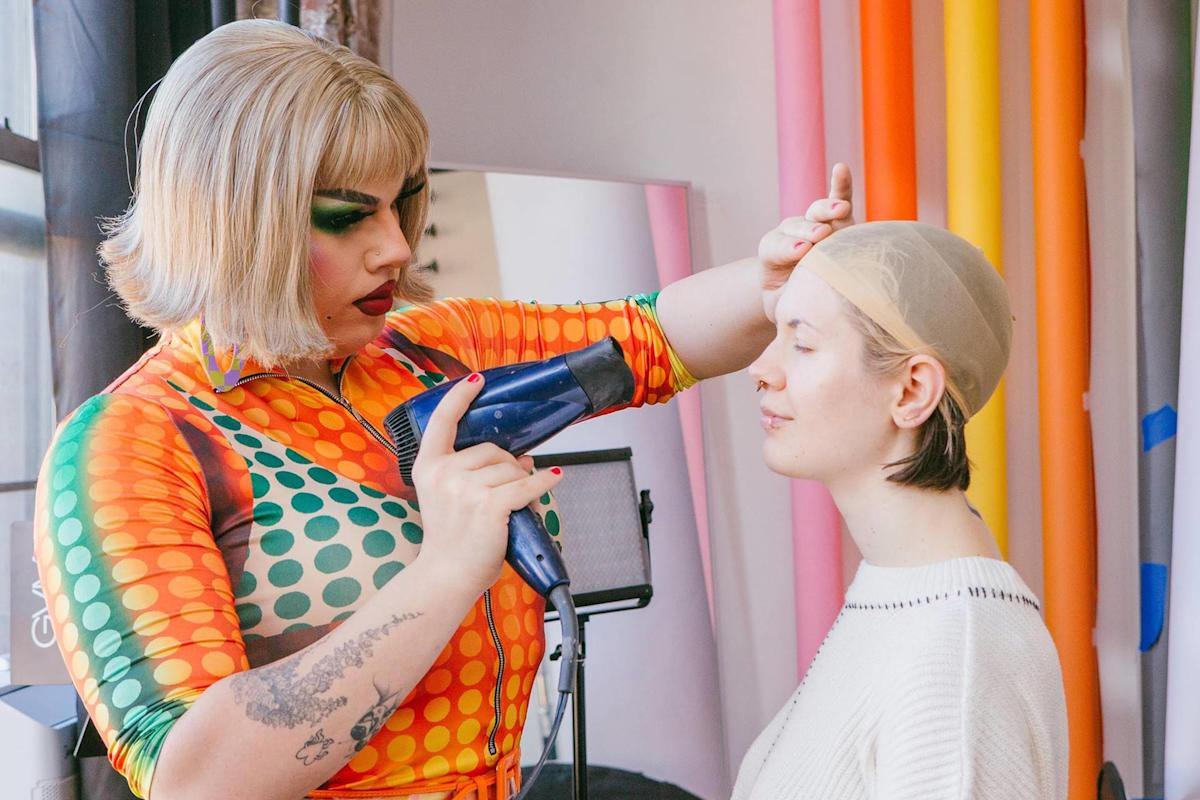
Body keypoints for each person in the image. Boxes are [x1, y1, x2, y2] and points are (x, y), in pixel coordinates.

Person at [32, 19, 850, 800]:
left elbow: (654, 337)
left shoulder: (437, 351)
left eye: (403, 203)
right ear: (231, 224)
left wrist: (780, 279)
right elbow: (196, 778)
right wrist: (447, 568)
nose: (395, 246)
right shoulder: (132, 445)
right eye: (350, 216)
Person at [732, 220, 1069, 799]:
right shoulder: (902, 594)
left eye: (803, 342)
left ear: (911, 391)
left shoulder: (958, 662)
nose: (761, 369)